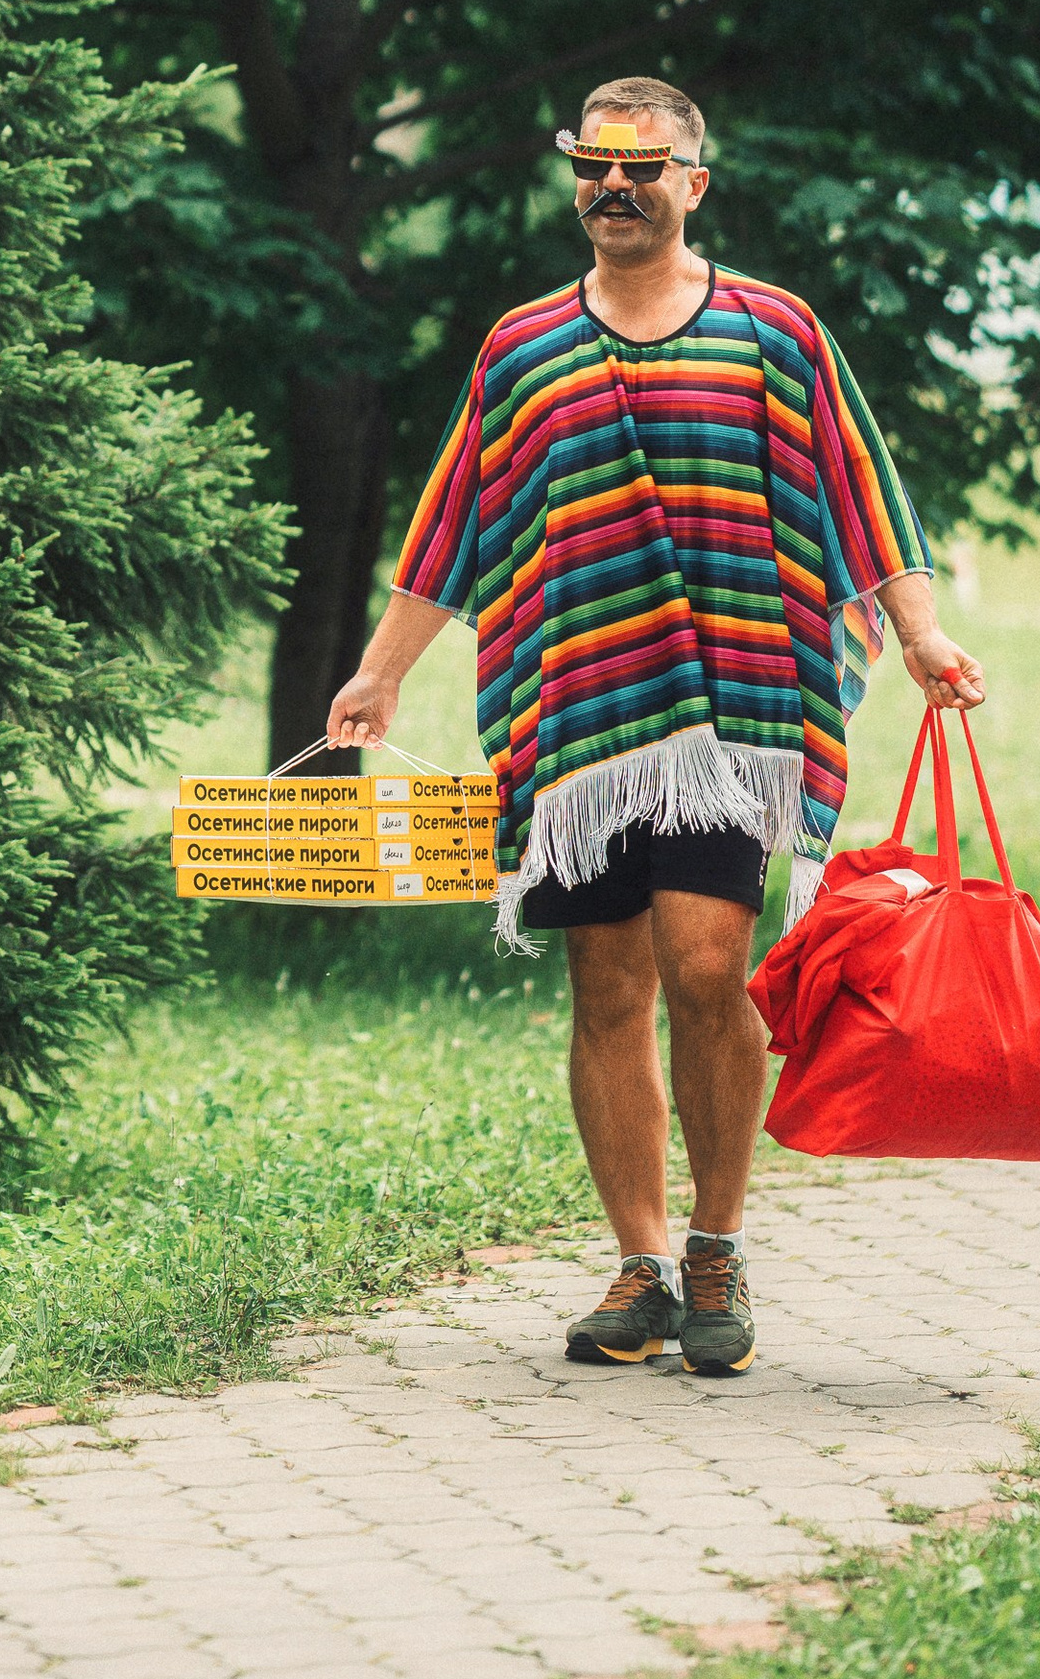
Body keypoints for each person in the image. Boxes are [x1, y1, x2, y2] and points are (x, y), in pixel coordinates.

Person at [325, 76, 982, 1381]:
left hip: (741, 711)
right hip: (580, 722)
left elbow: (860, 487)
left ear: (694, 181)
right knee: (608, 983)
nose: (611, 188)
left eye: (640, 167)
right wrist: (379, 672)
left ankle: (719, 1242)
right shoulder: (523, 347)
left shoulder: (772, 330)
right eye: (591, 166)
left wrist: (918, 631)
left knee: (702, 967)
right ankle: (639, 1263)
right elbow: (459, 512)